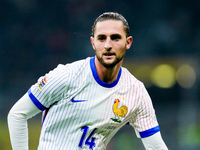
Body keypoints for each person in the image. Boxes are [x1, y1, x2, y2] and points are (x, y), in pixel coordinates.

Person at [8, 12, 168, 150]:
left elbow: (155, 146)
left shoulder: (136, 91)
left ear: (128, 42)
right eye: (101, 38)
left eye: (115, 38)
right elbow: (17, 114)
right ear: (93, 43)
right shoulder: (66, 76)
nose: (108, 45)